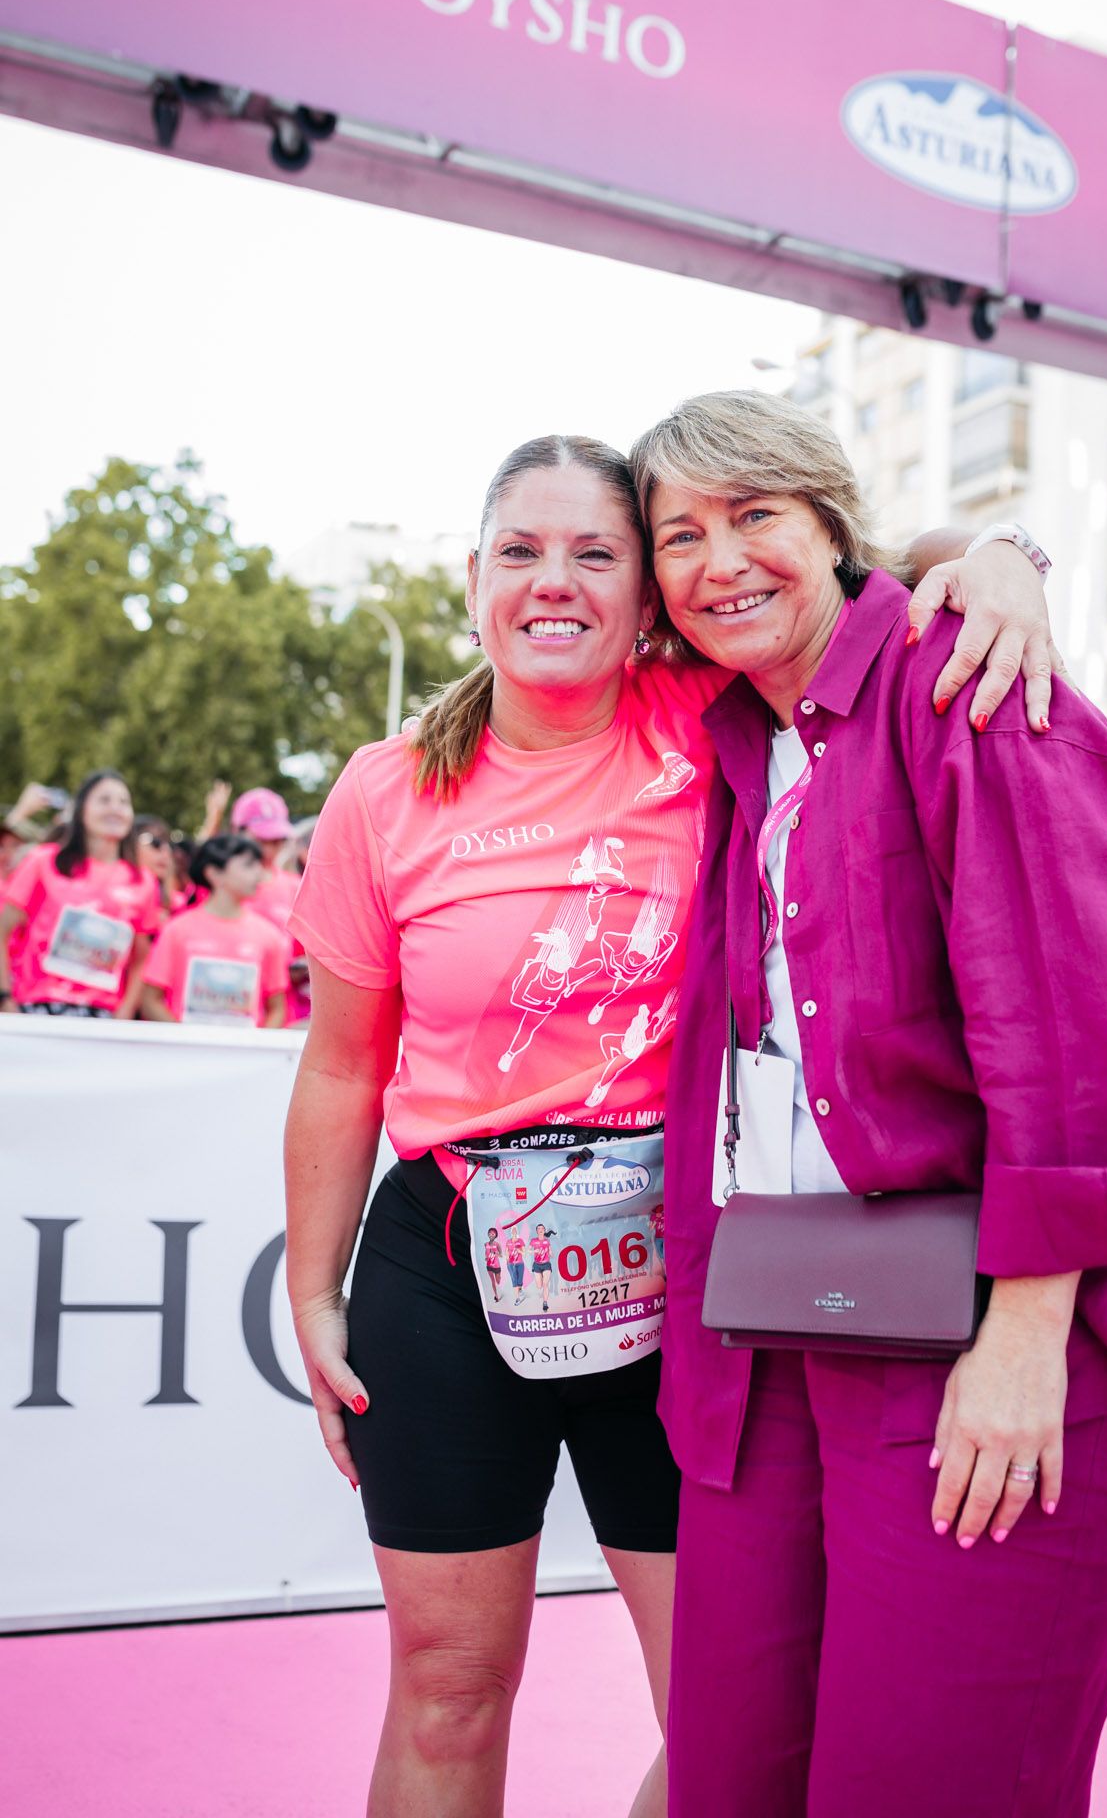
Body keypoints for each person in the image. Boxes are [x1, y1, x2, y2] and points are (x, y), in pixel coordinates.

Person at [282, 430, 1057, 1818]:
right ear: (473, 580)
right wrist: (310, 1284)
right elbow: (344, 1067)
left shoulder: (715, 710)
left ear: (648, 600)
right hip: (443, 1269)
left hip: (686, 1273)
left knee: (727, 1715)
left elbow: (871, 581)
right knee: (447, 1686)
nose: (555, 581)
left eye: (597, 553)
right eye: (521, 551)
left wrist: (998, 563)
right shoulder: (382, 793)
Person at [627, 390, 1107, 1818]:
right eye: (679, 534)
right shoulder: (731, 747)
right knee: (730, 1784)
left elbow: (1087, 1046)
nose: (718, 561)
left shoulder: (969, 691)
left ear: (830, 527)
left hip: (990, 1333)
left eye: (754, 515)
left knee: (932, 1786)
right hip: (770, 1333)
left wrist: (1024, 1341)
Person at [0, 769, 160, 1018]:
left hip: (102, 1015)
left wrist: (124, 1011)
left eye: (123, 802)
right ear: (81, 810)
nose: (115, 809)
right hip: (36, 1007)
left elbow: (142, 957)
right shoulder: (44, 862)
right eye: (104, 800)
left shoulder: (142, 881)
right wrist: (5, 998)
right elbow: (3, 932)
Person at [141, 833, 290, 1028]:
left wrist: (252, 1048)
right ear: (214, 873)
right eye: (248, 865)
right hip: (187, 1055)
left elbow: (277, 1008)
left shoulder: (268, 936)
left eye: (258, 865)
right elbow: (150, 1000)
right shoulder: (177, 930)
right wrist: (184, 1040)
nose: (259, 873)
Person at [232, 786, 310, 1023]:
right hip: (228, 1012)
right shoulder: (219, 885)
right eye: (261, 839)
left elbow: (305, 952)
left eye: (277, 841)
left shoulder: (296, 887)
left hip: (285, 1017)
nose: (268, 849)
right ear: (238, 832)